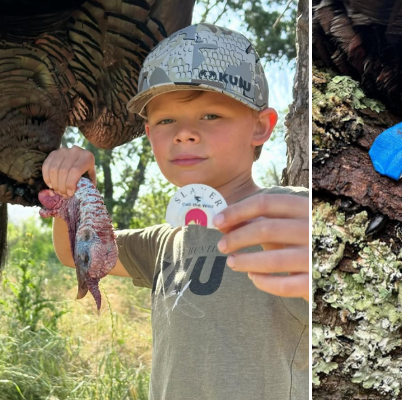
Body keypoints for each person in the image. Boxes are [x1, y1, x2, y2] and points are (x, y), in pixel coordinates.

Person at [42, 23, 309, 399]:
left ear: (261, 127)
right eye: (166, 120)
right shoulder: (163, 242)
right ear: (150, 134)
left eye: (211, 115)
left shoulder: (289, 217)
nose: (184, 133)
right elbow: (74, 255)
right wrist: (76, 195)